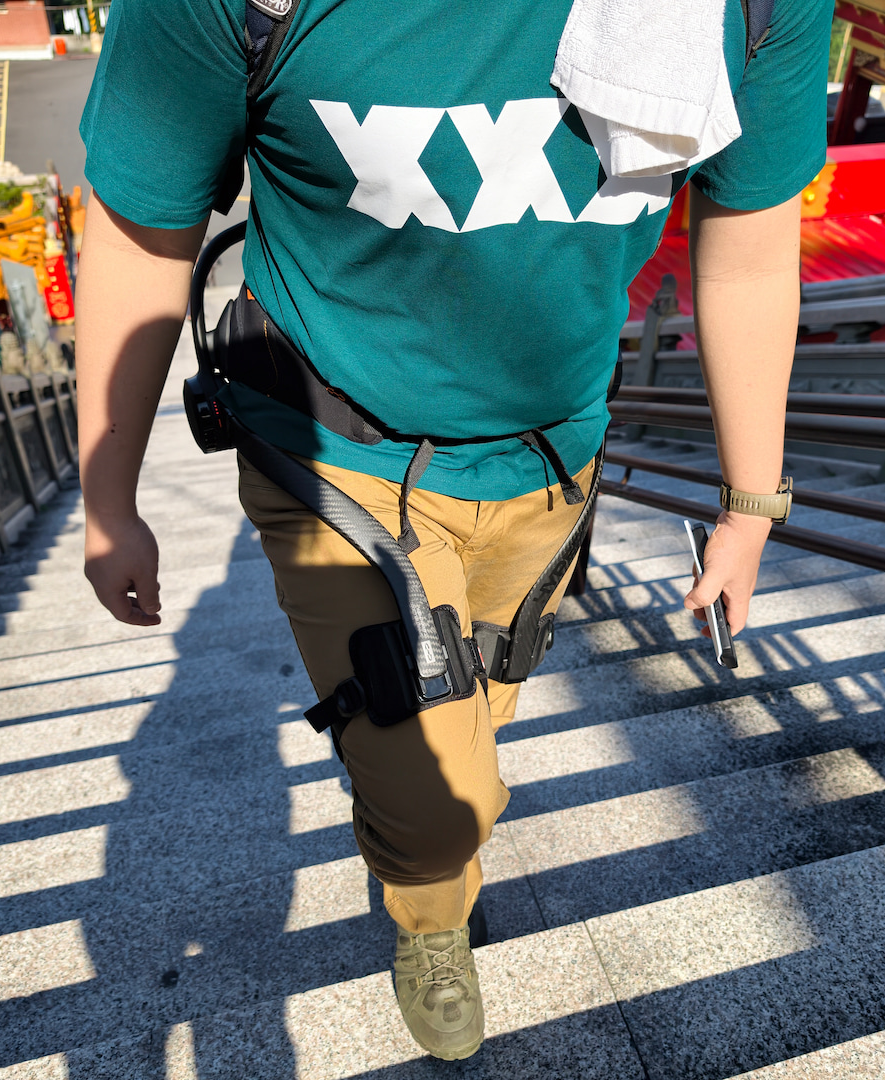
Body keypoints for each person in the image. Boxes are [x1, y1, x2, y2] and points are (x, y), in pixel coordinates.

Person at [76, 0, 829, 1061]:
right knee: (443, 801)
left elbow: (748, 238)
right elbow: (145, 224)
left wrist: (750, 505)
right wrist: (108, 500)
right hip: (333, 448)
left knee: (484, 697)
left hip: (554, 455)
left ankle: (435, 851)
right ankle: (430, 910)